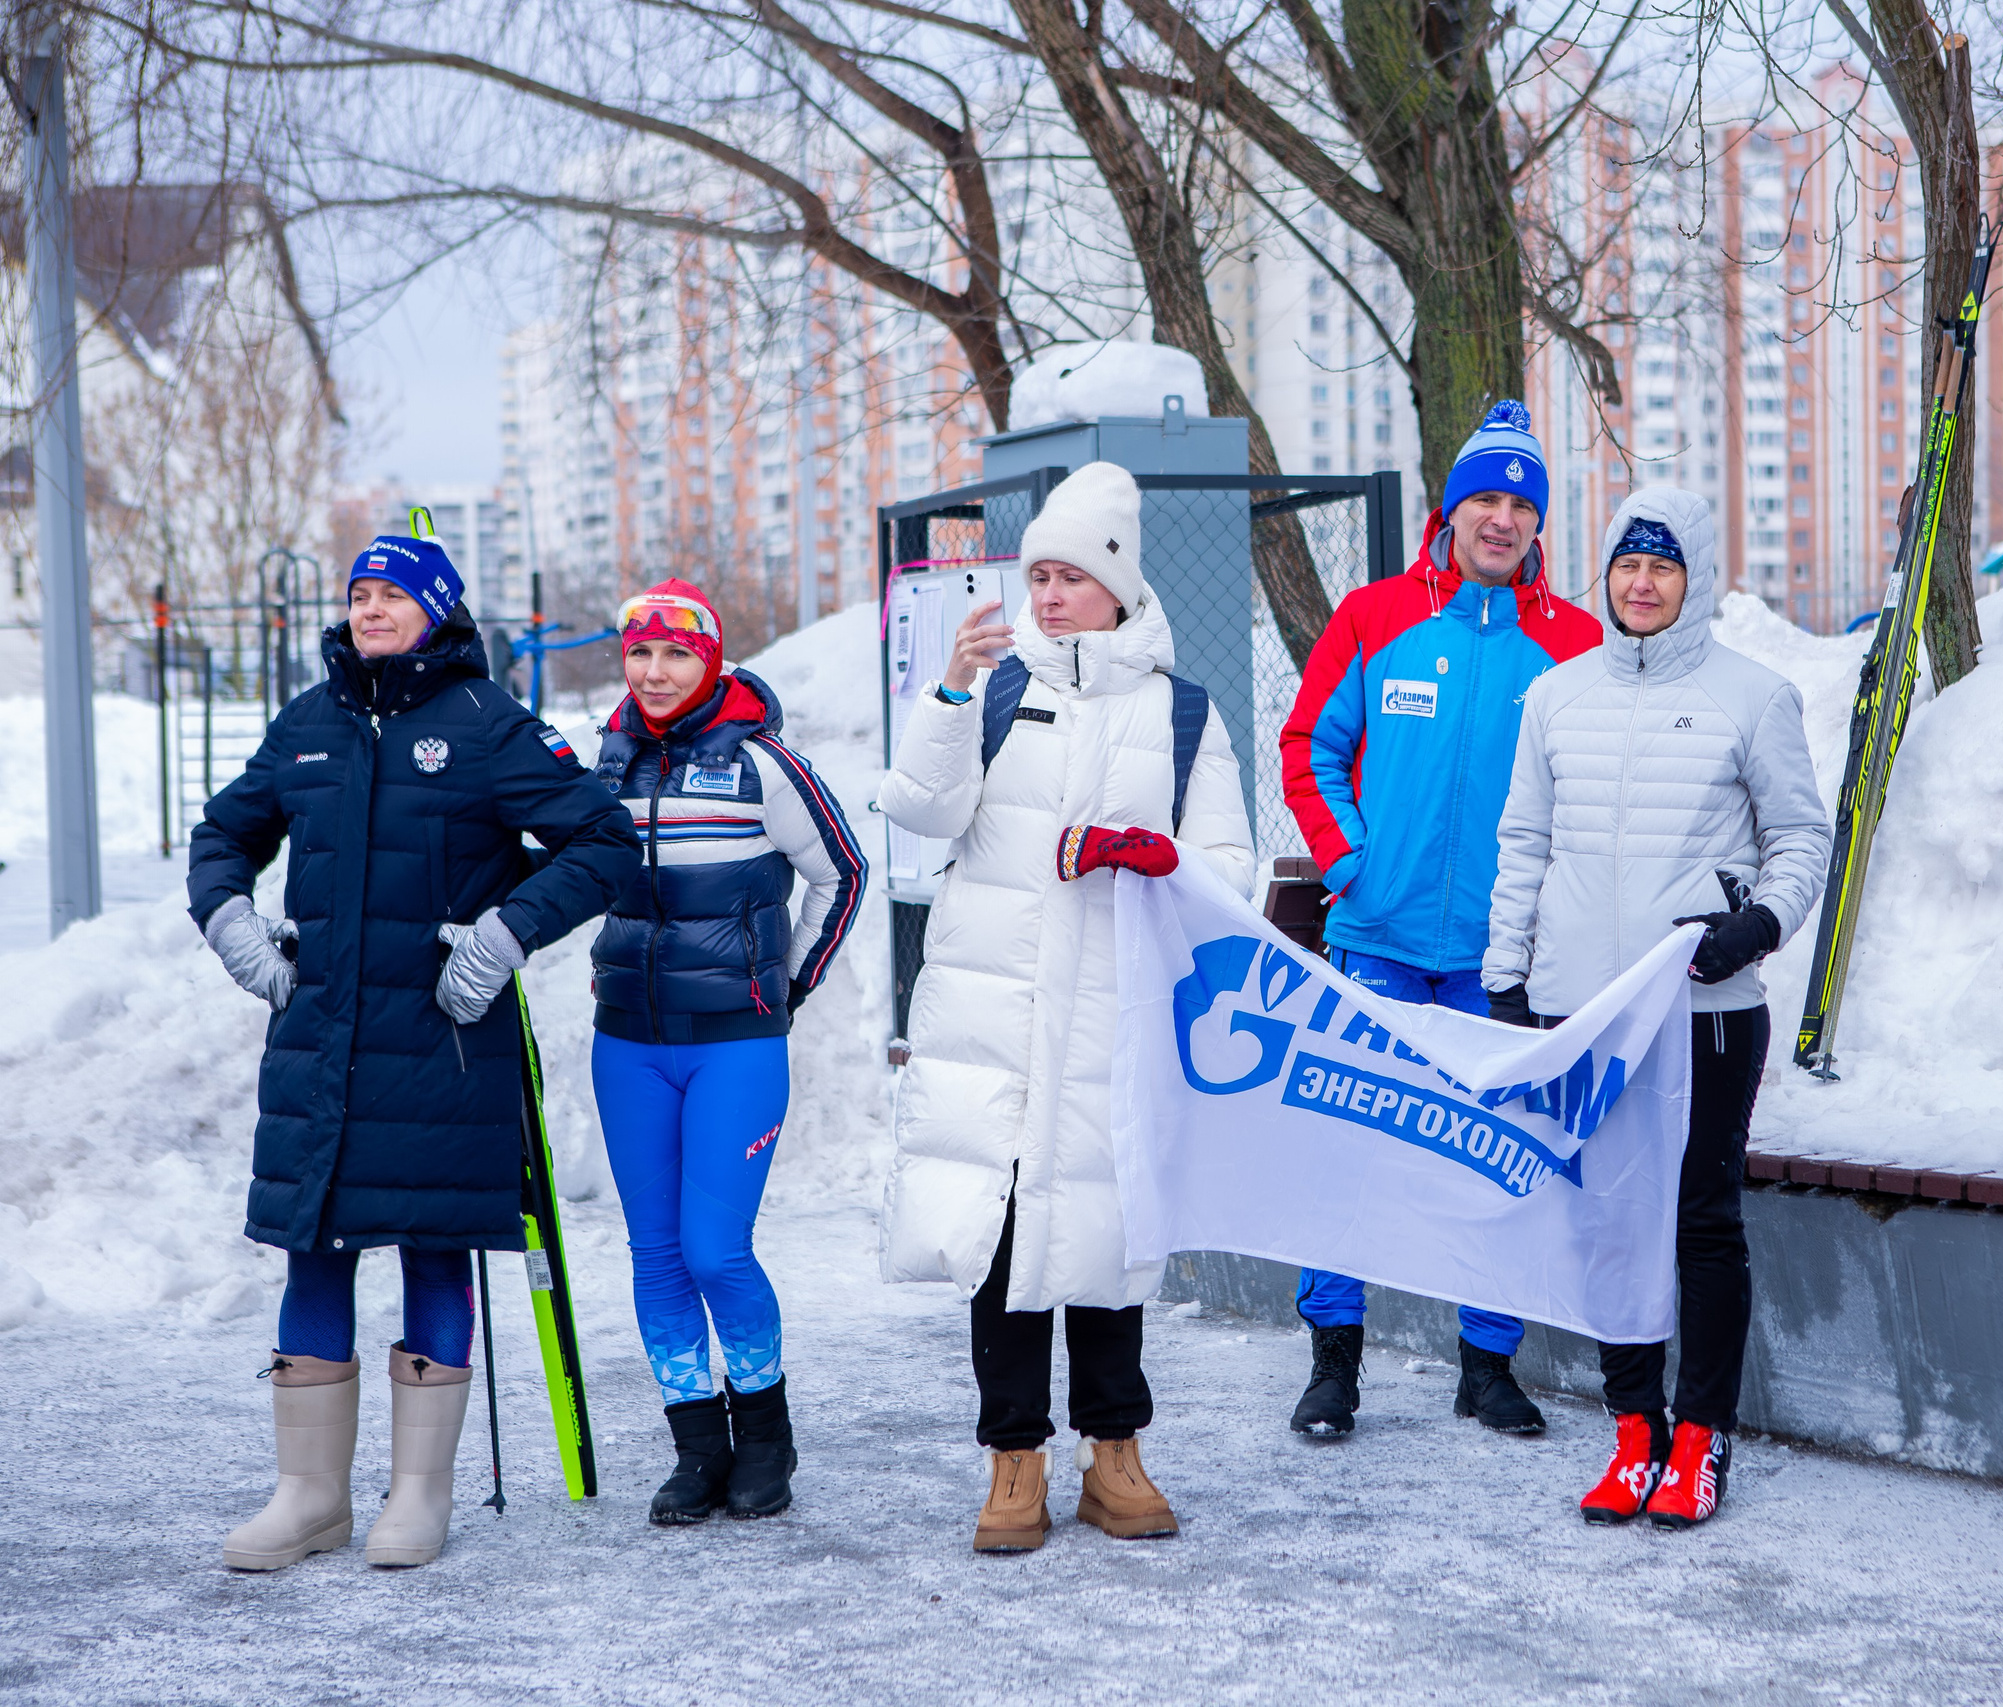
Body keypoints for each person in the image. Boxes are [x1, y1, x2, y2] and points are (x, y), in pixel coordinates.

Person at [190, 531, 640, 1572]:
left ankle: (419, 1494)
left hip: (442, 1049)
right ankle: (308, 1497)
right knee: (316, 1250)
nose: (371, 608)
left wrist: (505, 934)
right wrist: (230, 921)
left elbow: (604, 841)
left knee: (434, 1249)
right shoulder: (308, 723)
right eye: (359, 594)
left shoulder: (486, 722)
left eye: (393, 594)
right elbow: (223, 836)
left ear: (436, 610)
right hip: (321, 1048)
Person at [877, 461, 1254, 1554]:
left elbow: (1228, 869)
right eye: (1038, 576)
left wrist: (1157, 858)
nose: (1047, 596)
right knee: (1000, 1240)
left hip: (1112, 1017)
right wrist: (950, 695)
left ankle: (1115, 1454)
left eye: (1070, 577)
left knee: (1106, 1229)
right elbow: (920, 809)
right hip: (995, 1016)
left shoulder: (1182, 713)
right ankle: (1014, 1460)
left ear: (1118, 585)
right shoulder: (993, 692)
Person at [1483, 489, 1828, 1527]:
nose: (1641, 583)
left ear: (1695, 579)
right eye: (1627, 564)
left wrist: (1757, 926)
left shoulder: (1753, 697)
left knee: (1700, 1220)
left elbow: (1801, 837)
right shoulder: (1556, 696)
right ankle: (1634, 1429)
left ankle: (1700, 1437)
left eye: (1663, 566)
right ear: (1605, 574)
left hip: (1703, 1007)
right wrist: (1508, 975)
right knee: (1606, 1219)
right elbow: (1524, 843)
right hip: (1582, 1010)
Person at [1277, 400, 1601, 1439]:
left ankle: (1487, 1368)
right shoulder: (1373, 618)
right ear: (1451, 510)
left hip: (1497, 961)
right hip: (1375, 941)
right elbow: (1309, 747)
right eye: (1485, 500)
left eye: (1522, 505)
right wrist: (1352, 864)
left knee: (1494, 1158)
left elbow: (1593, 793)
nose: (1502, 519)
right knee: (1347, 1156)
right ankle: (1334, 1367)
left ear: (1538, 523)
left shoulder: (1574, 643)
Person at [586, 580, 868, 1525]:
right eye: (639, 652)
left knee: (714, 1250)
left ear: (710, 660)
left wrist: (790, 981)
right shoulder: (605, 761)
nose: (655, 670)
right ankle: (697, 1449)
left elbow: (842, 872)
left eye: (676, 652)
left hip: (734, 1047)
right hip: (629, 1042)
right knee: (657, 1256)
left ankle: (766, 1438)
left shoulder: (761, 763)